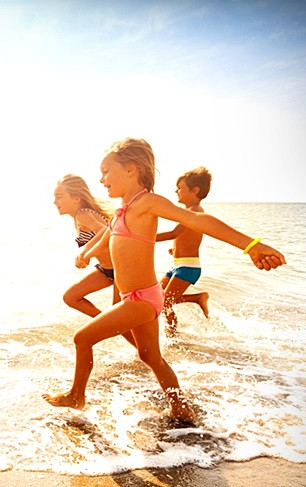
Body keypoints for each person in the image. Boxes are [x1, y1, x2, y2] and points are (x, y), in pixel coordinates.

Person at [43, 138, 286, 423]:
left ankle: (76, 395)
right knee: (151, 358)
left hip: (142, 299)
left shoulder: (148, 202)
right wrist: (87, 253)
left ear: (131, 169)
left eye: (107, 171)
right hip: (138, 297)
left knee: (82, 338)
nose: (101, 179)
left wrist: (251, 245)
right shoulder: (125, 207)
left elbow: (198, 221)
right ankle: (180, 407)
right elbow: (107, 235)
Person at [54, 175, 137, 347]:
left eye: (60, 196)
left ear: (76, 197)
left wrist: (86, 253)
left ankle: (145, 352)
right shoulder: (78, 217)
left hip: (120, 269)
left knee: (118, 318)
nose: (55, 201)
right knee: (71, 297)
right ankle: (106, 322)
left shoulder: (83, 214)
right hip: (107, 269)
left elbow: (107, 229)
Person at [156, 167, 212, 335]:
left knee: (165, 302)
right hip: (178, 264)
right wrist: (175, 248)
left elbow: (174, 233)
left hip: (188, 267)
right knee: (158, 297)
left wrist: (143, 237)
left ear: (195, 190)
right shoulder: (190, 211)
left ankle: (172, 336)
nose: (176, 191)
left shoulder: (195, 211)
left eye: (180, 188)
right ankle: (195, 300)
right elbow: (186, 237)